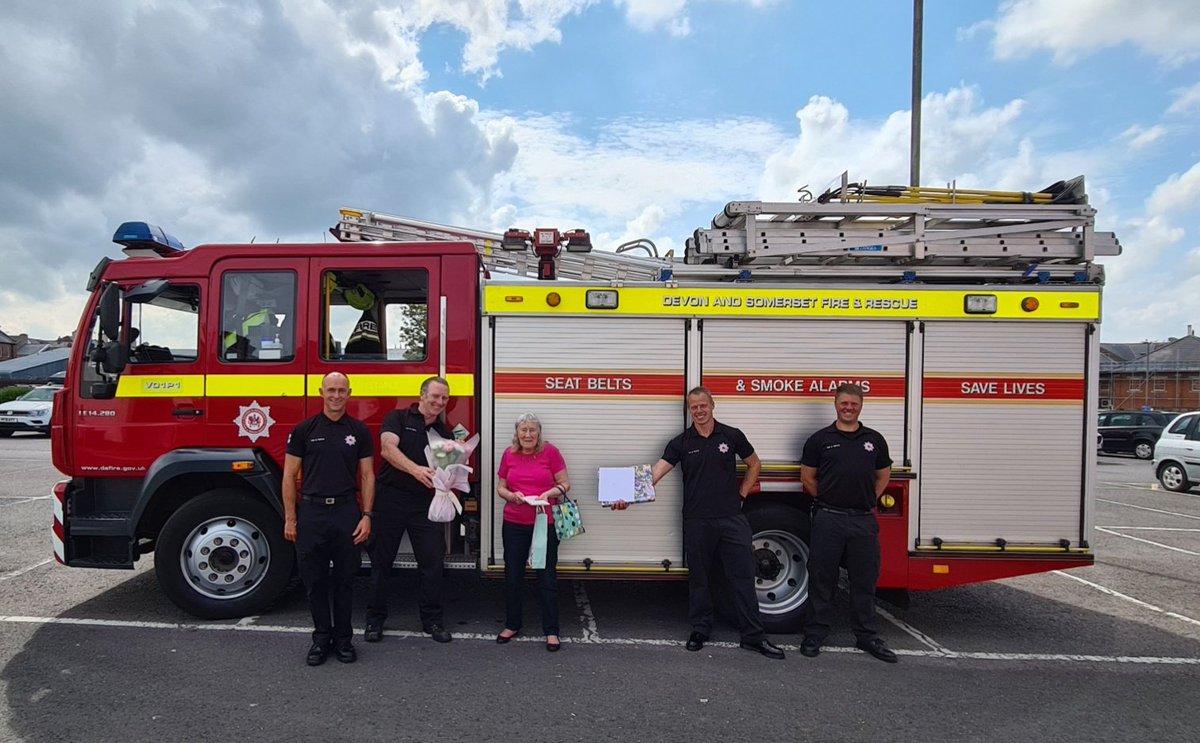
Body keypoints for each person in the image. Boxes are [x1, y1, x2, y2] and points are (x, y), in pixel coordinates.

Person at [615, 386, 784, 660]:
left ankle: (753, 636)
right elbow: (655, 473)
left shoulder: (731, 435)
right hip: (697, 521)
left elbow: (754, 464)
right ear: (689, 410)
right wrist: (626, 498)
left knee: (742, 577)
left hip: (731, 519)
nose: (699, 410)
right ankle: (700, 629)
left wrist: (742, 495)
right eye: (693, 407)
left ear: (712, 405)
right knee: (700, 578)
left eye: (703, 405)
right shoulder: (681, 443)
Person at [799, 382, 897, 663]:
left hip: (863, 521)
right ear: (836, 405)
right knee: (822, 580)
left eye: (854, 404)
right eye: (844, 403)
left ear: (861, 407)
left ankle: (866, 636)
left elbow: (884, 475)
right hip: (829, 518)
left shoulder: (874, 440)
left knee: (864, 581)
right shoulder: (820, 439)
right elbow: (807, 477)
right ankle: (815, 634)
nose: (849, 408)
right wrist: (828, 500)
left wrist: (867, 499)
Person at [283, 372, 375, 666]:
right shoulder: (304, 430)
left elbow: (367, 476)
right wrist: (290, 518)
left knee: (345, 581)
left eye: (341, 390)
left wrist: (367, 515)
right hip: (312, 513)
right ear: (321, 392)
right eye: (331, 390)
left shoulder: (359, 431)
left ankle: (344, 640)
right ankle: (321, 639)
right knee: (315, 581)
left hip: (346, 511)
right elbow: (289, 475)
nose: (336, 395)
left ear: (349, 394)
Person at [365, 376, 455, 644]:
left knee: (433, 563)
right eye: (435, 396)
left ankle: (432, 621)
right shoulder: (398, 418)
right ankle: (374, 621)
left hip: (424, 504)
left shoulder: (445, 434)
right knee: (381, 562)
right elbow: (387, 449)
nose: (439, 402)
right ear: (422, 395)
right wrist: (416, 470)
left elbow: (445, 471)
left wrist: (451, 476)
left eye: (444, 398)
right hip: (390, 498)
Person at [494, 413, 571, 652]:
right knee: (513, 575)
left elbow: (565, 484)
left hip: (544, 522)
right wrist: (511, 496)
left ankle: (551, 630)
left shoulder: (551, 452)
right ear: (517, 433)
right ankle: (512, 625)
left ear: (539, 433)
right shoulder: (509, 454)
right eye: (523, 430)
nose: (528, 434)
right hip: (514, 522)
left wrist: (549, 493)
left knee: (546, 577)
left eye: (532, 430)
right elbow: (501, 487)